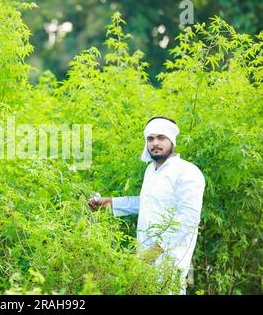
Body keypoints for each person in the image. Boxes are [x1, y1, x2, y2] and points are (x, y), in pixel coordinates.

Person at [88, 116, 206, 294]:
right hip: (144, 254)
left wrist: (157, 250)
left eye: (161, 138)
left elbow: (189, 218)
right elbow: (147, 202)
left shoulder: (187, 171)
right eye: (150, 139)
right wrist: (110, 203)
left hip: (170, 256)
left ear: (172, 140)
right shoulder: (151, 170)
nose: (155, 143)